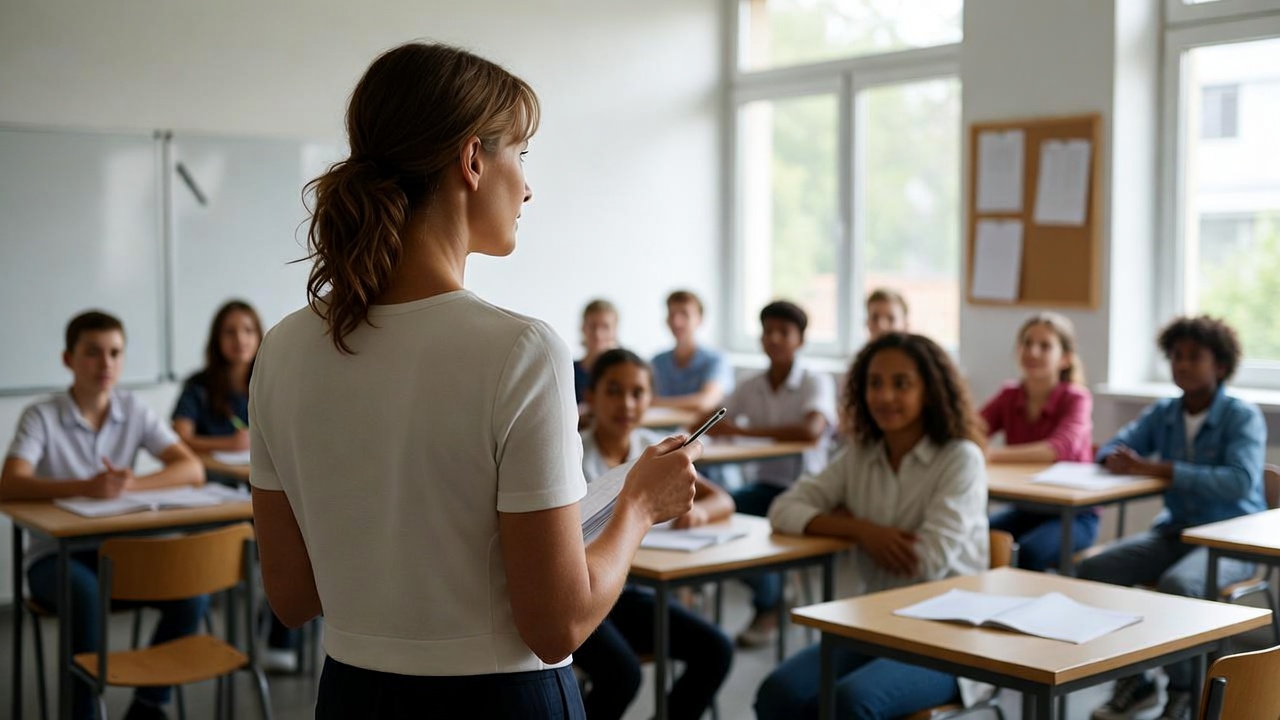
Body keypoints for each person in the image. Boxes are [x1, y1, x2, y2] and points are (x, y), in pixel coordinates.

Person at [247, 43, 700, 719]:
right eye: (521, 155)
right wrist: (637, 504)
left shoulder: (281, 349)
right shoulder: (520, 350)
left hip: (351, 695)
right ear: (472, 159)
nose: (526, 187)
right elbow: (557, 627)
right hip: (499, 699)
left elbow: (290, 597)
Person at [756, 332, 988, 719]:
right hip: (874, 626)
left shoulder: (960, 459)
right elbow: (783, 508)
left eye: (902, 384)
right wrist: (863, 531)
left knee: (850, 702)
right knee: (778, 693)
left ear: (929, 391)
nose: (884, 396)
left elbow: (925, 560)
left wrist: (853, 527)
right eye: (874, 383)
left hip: (949, 637)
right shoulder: (860, 455)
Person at [1, 310, 206, 720]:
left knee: (192, 595)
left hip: (118, 553)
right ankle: (84, 713)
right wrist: (84, 487)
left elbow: (192, 469)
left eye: (115, 353)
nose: (106, 363)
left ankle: (148, 705)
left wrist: (130, 486)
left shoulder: (133, 408)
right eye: (93, 353)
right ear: (68, 359)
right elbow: (9, 484)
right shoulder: (41, 415)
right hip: (52, 558)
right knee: (86, 596)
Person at [1081, 316, 1266, 720]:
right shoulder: (1164, 413)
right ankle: (1134, 677)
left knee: (1179, 584)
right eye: (1176, 356)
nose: (1182, 365)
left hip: (1231, 538)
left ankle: (1183, 691)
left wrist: (1158, 468)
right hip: (1175, 533)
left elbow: (1239, 482)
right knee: (1094, 568)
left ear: (1220, 365)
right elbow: (1113, 445)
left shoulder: (1242, 416)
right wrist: (1114, 457)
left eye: (1194, 357)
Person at [574, 349, 733, 720]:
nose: (626, 403)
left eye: (637, 392)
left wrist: (700, 513)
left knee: (716, 649)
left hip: (628, 590)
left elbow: (721, 499)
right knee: (622, 675)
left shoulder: (654, 448)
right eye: (614, 391)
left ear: (649, 399)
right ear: (592, 396)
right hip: (584, 589)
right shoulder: (572, 451)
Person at [169, 300, 298, 669]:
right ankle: (261, 626)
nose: (240, 339)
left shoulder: (270, 378)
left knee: (294, 534)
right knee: (268, 536)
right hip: (213, 499)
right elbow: (180, 438)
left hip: (259, 492)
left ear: (259, 336)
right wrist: (230, 444)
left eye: (247, 330)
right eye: (230, 331)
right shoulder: (200, 385)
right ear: (217, 339)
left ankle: (277, 634)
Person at [705, 300, 836, 647]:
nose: (775, 338)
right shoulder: (751, 384)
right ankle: (772, 595)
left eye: (784, 332)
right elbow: (715, 418)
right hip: (765, 486)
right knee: (720, 518)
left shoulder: (815, 380)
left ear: (801, 340)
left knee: (763, 529)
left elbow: (811, 430)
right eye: (768, 331)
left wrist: (745, 431)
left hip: (808, 489)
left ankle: (770, 605)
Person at [980, 312, 1097, 571]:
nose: (1032, 352)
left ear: (1065, 358)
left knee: (1030, 552)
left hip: (1075, 516)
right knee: (976, 538)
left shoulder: (1077, 398)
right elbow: (972, 429)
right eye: (1027, 343)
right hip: (1028, 508)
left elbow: (1057, 449)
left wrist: (993, 454)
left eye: (1045, 346)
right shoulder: (1010, 394)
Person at [651, 290, 733, 414]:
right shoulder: (657, 361)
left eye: (685, 314)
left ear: (699, 319)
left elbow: (706, 402)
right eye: (672, 314)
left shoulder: (716, 359)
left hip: (697, 432)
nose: (676, 322)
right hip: (656, 430)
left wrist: (657, 403)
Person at [574, 299, 619, 404]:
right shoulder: (569, 371)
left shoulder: (626, 373)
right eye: (593, 326)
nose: (598, 334)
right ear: (583, 328)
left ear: (615, 331)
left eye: (605, 327)